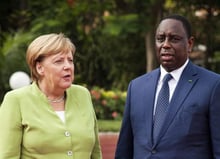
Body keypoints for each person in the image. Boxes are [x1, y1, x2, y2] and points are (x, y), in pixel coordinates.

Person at [115, 14, 220, 159]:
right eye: (160, 39)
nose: (165, 45)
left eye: (174, 39)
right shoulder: (136, 87)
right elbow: (124, 150)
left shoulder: (213, 85)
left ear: (189, 44)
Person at [0, 33, 102, 159]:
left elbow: (95, 152)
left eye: (70, 60)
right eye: (59, 61)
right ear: (39, 68)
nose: (68, 66)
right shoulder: (15, 100)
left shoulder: (83, 95)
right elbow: (8, 156)